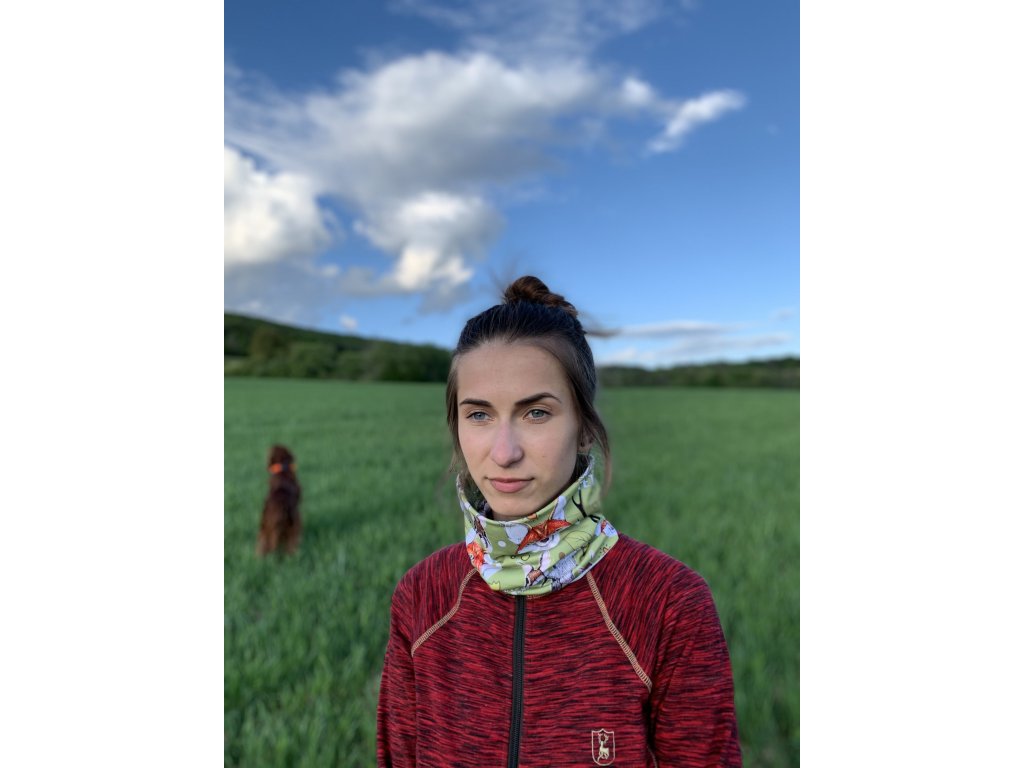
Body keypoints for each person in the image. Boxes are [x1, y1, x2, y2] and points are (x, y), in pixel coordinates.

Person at [377, 276, 741, 767]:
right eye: (479, 415)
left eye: (536, 413)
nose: (503, 452)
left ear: (585, 428)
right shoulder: (422, 596)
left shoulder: (669, 603)